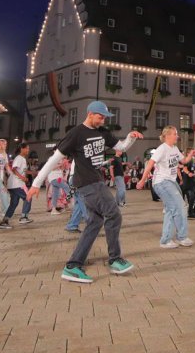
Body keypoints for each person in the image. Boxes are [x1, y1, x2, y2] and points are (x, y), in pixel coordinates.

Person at [28, 101, 140, 284]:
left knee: (95, 222)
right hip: (88, 182)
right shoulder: (76, 133)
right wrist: (36, 183)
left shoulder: (103, 132)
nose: (103, 120)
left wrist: (131, 137)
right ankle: (115, 259)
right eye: (100, 117)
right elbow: (54, 159)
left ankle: (73, 266)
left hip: (95, 181)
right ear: (90, 114)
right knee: (114, 215)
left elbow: (121, 147)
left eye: (104, 117)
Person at [137, 126, 192, 248]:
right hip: (162, 182)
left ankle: (166, 240)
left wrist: (191, 155)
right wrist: (142, 180)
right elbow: (150, 164)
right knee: (179, 207)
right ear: (167, 136)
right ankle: (181, 237)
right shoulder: (162, 149)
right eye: (175, 134)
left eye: (176, 134)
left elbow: (184, 161)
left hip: (171, 182)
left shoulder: (175, 148)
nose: (177, 136)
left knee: (170, 209)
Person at [0, 142, 33, 228]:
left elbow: (23, 171)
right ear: (22, 149)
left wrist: (34, 173)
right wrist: (22, 178)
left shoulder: (22, 159)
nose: (28, 150)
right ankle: (24, 217)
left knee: (14, 203)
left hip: (13, 185)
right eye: (27, 148)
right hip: (16, 184)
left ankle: (5, 221)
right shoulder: (19, 158)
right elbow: (14, 169)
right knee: (28, 197)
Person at [180, 149, 195, 218]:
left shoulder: (192, 160)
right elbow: (184, 168)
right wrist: (188, 173)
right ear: (188, 153)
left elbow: (194, 170)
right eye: (193, 152)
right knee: (192, 196)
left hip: (193, 181)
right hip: (188, 182)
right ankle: (190, 212)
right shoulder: (187, 160)